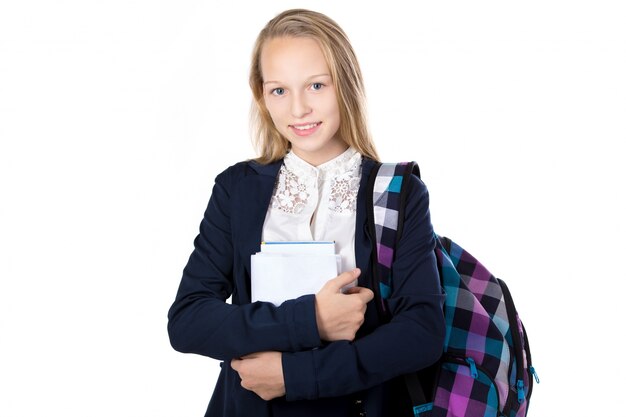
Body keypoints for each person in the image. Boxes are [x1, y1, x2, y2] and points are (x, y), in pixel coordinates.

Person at [167, 8, 445, 417]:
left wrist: (295, 374)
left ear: (345, 85)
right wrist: (311, 320)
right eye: (279, 90)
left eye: (316, 85)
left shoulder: (397, 192)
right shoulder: (236, 189)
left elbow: (421, 333)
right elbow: (189, 320)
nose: (298, 109)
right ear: (261, 95)